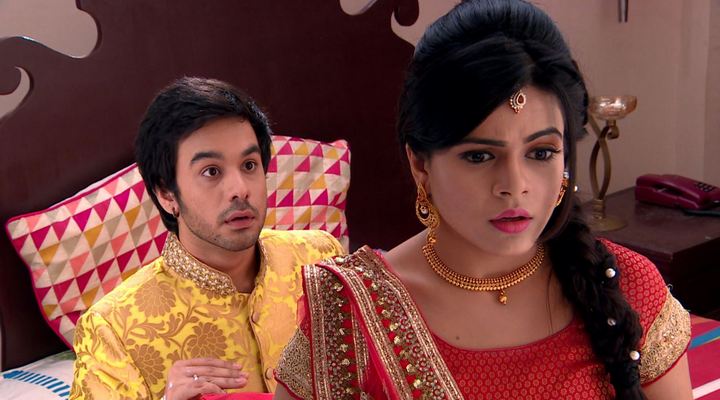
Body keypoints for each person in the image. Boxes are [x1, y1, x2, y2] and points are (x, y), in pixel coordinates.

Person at [273, 1, 692, 399]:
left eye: (541, 153)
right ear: (420, 165)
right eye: (479, 156)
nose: (514, 185)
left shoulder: (627, 288)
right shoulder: (348, 317)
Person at [70, 77, 345, 400]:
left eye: (249, 165)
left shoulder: (319, 257)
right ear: (166, 194)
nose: (240, 189)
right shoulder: (111, 328)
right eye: (211, 171)